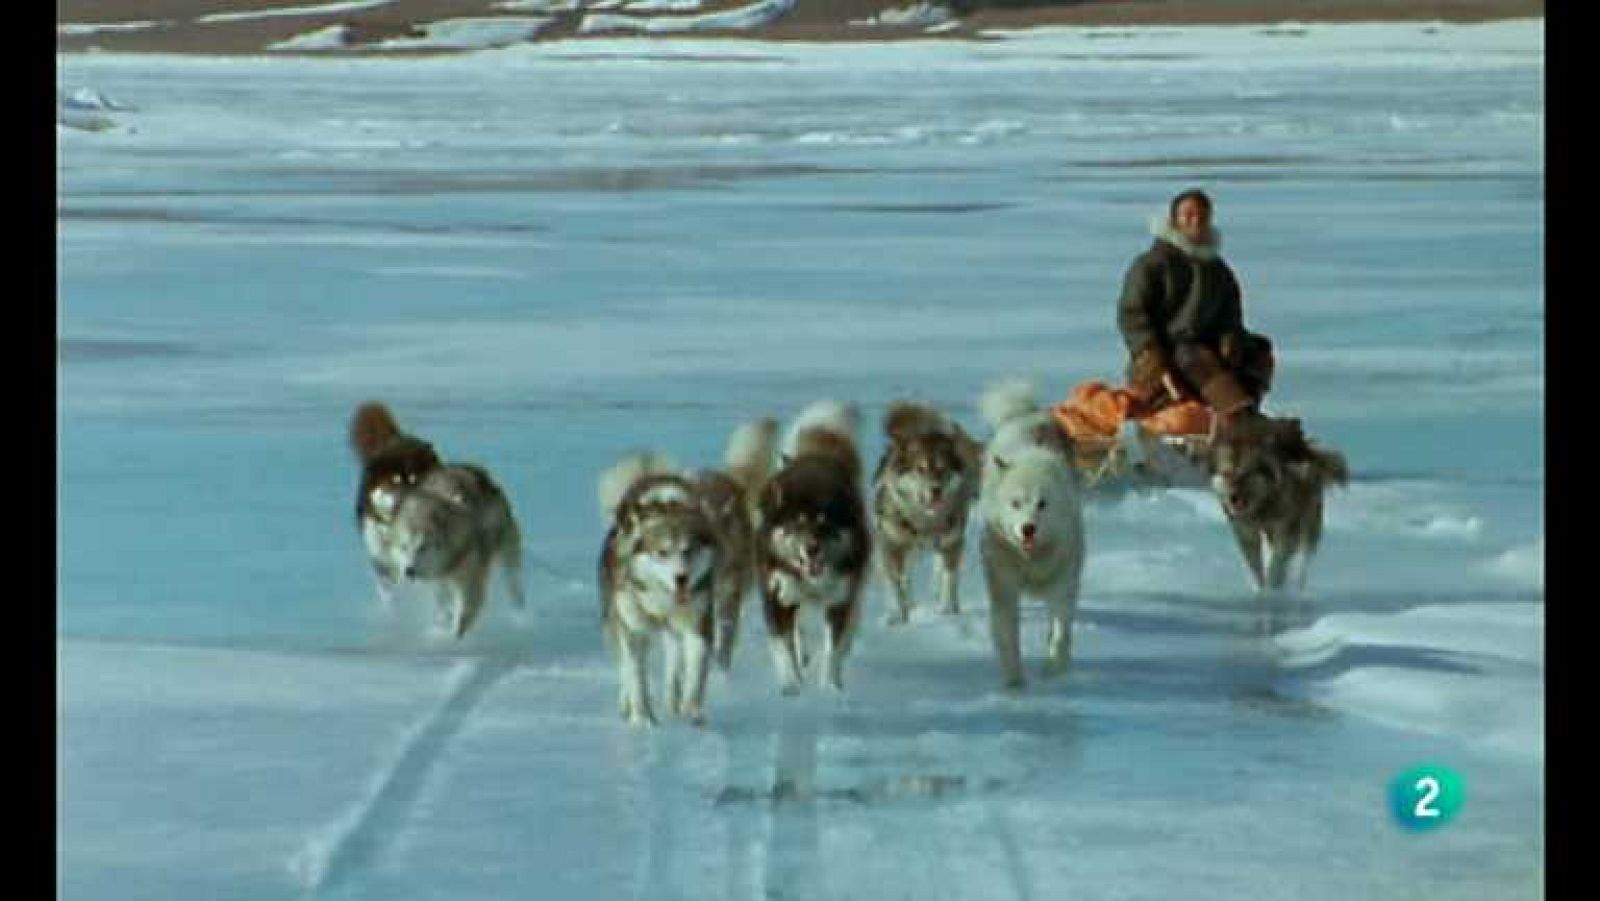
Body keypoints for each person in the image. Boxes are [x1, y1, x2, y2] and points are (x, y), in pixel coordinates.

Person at [1115, 188, 1274, 431]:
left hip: (1205, 349)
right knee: (1193, 355)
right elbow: (1132, 314)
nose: (1196, 222)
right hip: (1165, 351)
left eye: (1202, 216)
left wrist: (1230, 340)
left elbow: (1230, 316)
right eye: (1188, 215)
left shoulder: (1217, 269)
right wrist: (1151, 355)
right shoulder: (1152, 264)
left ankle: (1247, 407)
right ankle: (1237, 413)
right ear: (1174, 220)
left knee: (1258, 348)